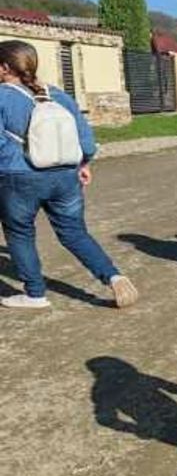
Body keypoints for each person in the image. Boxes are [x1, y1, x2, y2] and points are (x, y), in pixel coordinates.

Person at [0, 40, 138, 309]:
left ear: (5, 68)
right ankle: (114, 277)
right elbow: (86, 143)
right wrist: (83, 165)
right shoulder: (58, 95)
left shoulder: (2, 97)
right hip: (65, 177)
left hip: (19, 177)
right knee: (74, 232)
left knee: (20, 233)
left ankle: (35, 294)